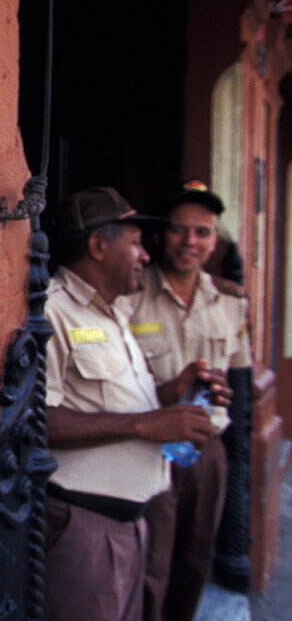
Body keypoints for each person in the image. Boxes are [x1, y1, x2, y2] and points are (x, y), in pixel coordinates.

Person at [43, 186, 231, 621]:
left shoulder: (113, 312)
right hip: (86, 530)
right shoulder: (55, 311)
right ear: (98, 246)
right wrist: (146, 425)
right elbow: (40, 423)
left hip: (131, 525)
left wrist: (176, 390)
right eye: (136, 244)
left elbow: (116, 402)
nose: (146, 256)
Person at [127, 181, 251, 621]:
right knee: (151, 564)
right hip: (147, 448)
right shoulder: (130, 295)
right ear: (161, 235)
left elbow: (240, 385)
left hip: (207, 449)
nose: (190, 242)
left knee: (196, 560)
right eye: (180, 231)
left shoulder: (231, 302)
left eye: (202, 233)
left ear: (214, 240)